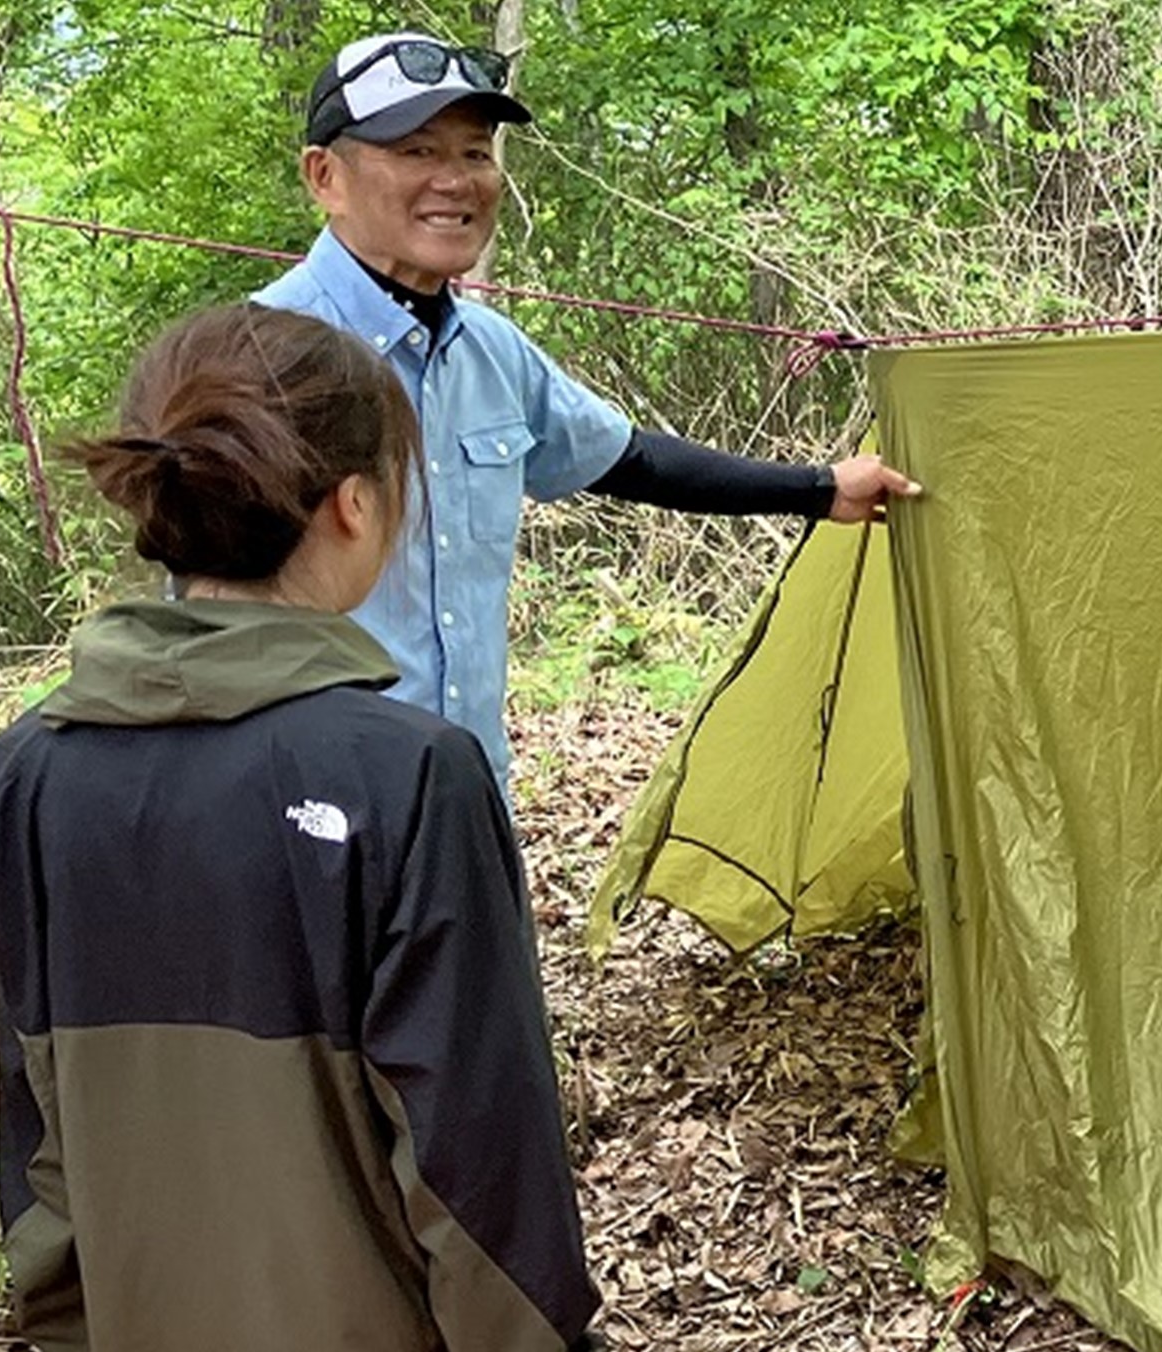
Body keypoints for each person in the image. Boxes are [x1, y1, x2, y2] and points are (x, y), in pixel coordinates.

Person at [0, 303, 612, 1352]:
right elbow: (477, 1155)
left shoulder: (27, 772)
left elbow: (37, 1133)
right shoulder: (408, 775)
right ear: (357, 504)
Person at [256, 30, 919, 794]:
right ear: (324, 176)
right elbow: (204, 611)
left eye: (475, 153)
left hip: (467, 799)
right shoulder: (258, 355)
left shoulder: (491, 353)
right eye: (414, 151)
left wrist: (818, 488)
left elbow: (625, 459)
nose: (455, 180)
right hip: (310, 807)